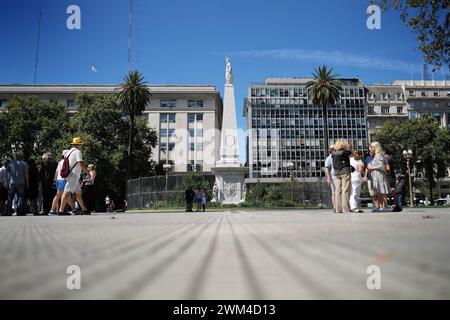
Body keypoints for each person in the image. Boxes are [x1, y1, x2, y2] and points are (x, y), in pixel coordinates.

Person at [58, 138, 89, 215]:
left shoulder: (69, 152)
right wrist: (87, 173)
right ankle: (61, 211)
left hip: (70, 174)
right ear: (78, 144)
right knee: (66, 192)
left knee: (78, 193)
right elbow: (80, 163)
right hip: (74, 175)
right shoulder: (77, 152)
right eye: (80, 144)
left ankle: (84, 209)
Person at [367, 142, 390, 212]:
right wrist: (369, 165)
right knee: (379, 192)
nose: (370, 149)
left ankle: (385, 207)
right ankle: (380, 207)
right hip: (376, 176)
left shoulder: (379, 155)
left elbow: (381, 166)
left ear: (375, 147)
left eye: (371, 147)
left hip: (379, 176)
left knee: (382, 192)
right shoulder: (376, 155)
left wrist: (371, 167)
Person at [332, 139, 353, 213]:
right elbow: (353, 154)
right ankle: (345, 208)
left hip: (337, 172)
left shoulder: (334, 153)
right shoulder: (345, 152)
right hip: (345, 171)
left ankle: (338, 209)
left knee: (338, 191)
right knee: (345, 190)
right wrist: (349, 148)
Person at [49, 150, 72, 215]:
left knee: (64, 195)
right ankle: (53, 210)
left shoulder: (60, 162)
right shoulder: (67, 162)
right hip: (63, 179)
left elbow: (57, 172)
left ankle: (61, 210)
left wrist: (54, 181)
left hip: (59, 180)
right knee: (62, 195)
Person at [7, 151, 29, 216]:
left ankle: (9, 212)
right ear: (22, 156)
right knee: (20, 197)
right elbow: (26, 174)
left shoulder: (11, 164)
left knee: (10, 197)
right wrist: (27, 183)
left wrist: (8, 182)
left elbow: (8, 173)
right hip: (21, 183)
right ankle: (19, 211)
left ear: (15, 156)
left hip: (12, 183)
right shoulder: (25, 164)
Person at [324, 144, 337, 211]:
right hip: (333, 177)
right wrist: (328, 178)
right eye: (332, 149)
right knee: (334, 192)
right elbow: (326, 168)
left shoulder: (338, 156)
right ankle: (335, 207)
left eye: (334, 149)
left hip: (340, 176)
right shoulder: (329, 158)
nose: (333, 150)